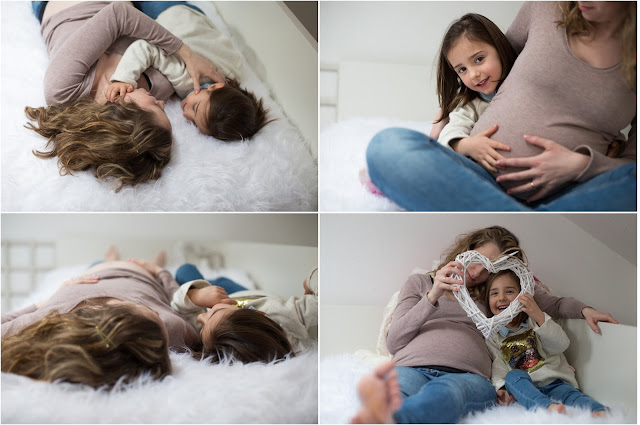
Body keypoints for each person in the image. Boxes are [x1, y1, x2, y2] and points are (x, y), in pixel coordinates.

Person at [366, 2, 636, 211]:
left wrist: (582, 164)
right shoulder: (545, 7)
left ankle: (507, 216)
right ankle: (529, 222)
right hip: (479, 174)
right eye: (462, 69)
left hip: (568, 191)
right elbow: (498, 63)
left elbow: (631, 163)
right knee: (387, 147)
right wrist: (450, 122)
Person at [350, 226, 617, 423]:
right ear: (466, 251)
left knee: (448, 395)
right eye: (476, 261)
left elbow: (553, 304)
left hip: (468, 376)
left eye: (488, 268)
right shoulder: (421, 283)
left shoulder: (494, 295)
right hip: (411, 366)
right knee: (396, 390)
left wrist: (585, 310)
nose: (477, 272)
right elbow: (394, 341)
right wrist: (433, 296)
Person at [25, 1, 224, 191]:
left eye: (156, 106)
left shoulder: (63, 90)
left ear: (125, 106)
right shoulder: (154, 86)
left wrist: (187, 54)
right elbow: (182, 75)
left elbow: (118, 14)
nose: (163, 101)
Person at [0, 246, 209, 388]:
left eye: (151, 313)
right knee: (146, 264)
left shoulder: (49, 318)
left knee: (98, 262)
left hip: (95, 272)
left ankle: (109, 260)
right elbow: (177, 298)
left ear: (111, 313)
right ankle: (150, 261)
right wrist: (159, 271)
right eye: (155, 315)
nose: (157, 313)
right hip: (144, 275)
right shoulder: (169, 327)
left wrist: (44, 302)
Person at [105, 4, 271, 141]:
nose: (185, 113)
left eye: (193, 121)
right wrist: (124, 79)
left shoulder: (232, 76)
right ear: (214, 88)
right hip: (169, 12)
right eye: (195, 107)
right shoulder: (184, 77)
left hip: (197, 17)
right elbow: (145, 48)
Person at [484, 270, 608, 416]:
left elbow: (561, 345)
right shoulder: (493, 336)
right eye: (494, 293)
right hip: (526, 388)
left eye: (509, 291)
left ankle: (600, 412)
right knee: (512, 377)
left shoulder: (535, 321)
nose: (502, 298)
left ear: (522, 296)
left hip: (555, 381)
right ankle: (546, 408)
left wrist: (540, 317)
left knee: (573, 396)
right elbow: (498, 366)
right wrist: (501, 388)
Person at [170, 265, 318, 362]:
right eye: (215, 312)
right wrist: (309, 284)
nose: (201, 317)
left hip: (216, 298)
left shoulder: (217, 340)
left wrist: (197, 295)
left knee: (184, 271)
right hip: (242, 293)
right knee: (222, 281)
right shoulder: (288, 315)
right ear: (258, 314)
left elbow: (177, 308)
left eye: (202, 329)